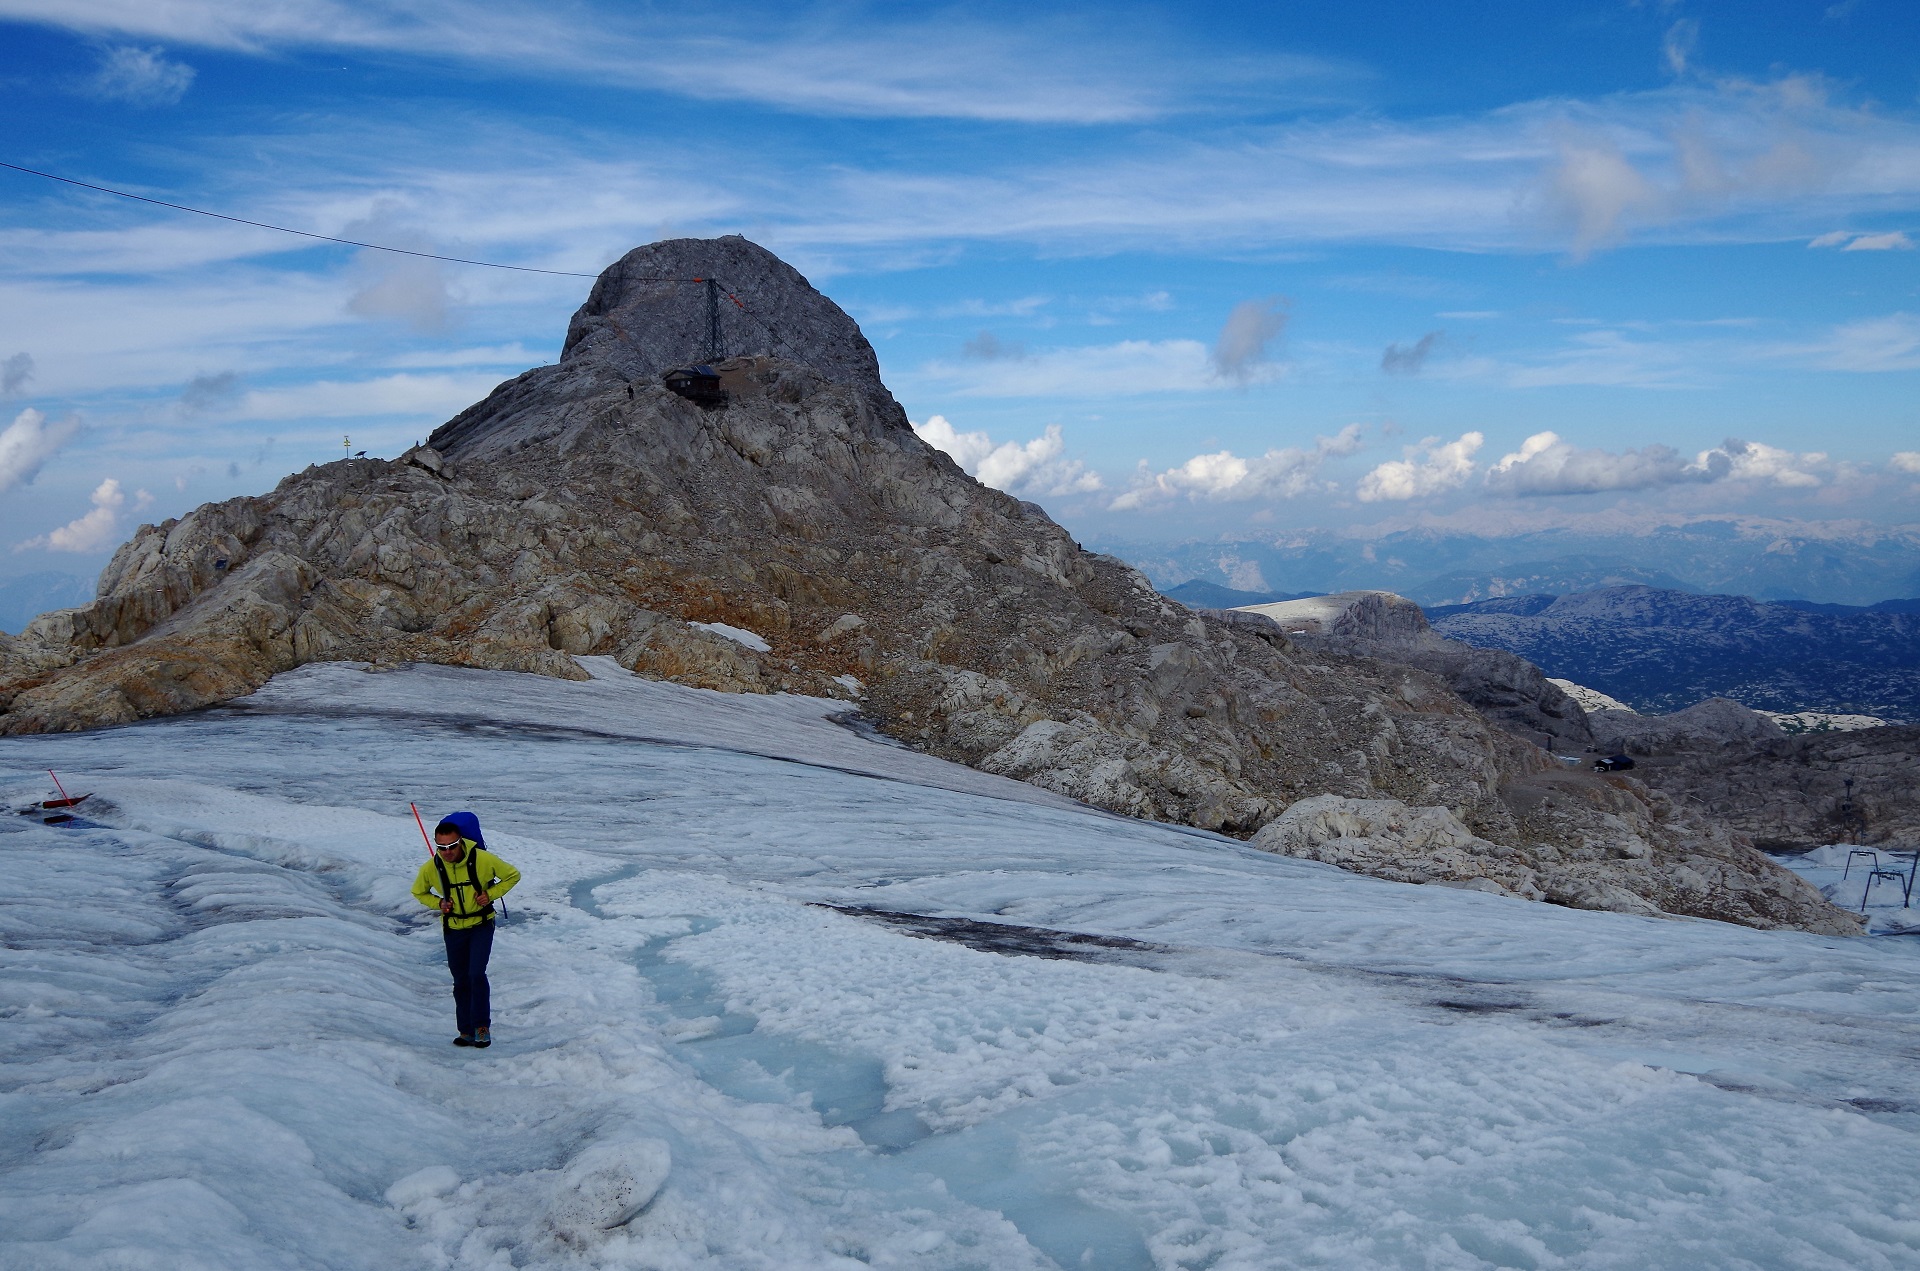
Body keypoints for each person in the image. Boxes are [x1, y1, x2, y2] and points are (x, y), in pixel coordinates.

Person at [411, 811, 520, 1048]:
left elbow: (512, 875)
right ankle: (466, 1031)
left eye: (452, 846)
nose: (447, 852)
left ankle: (482, 1027)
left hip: (481, 925)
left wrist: (490, 894)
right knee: (460, 979)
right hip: (453, 928)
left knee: (475, 974)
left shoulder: (483, 859)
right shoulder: (432, 867)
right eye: (441, 847)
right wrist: (438, 903)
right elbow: (418, 891)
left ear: (461, 841)